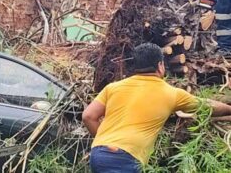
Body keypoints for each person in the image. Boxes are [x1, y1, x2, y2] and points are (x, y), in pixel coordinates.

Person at [82, 43, 231, 173]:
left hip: (99, 153)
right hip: (125, 157)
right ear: (160, 66)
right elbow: (207, 106)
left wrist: (107, 143)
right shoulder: (171, 93)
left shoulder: (113, 87)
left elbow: (88, 116)